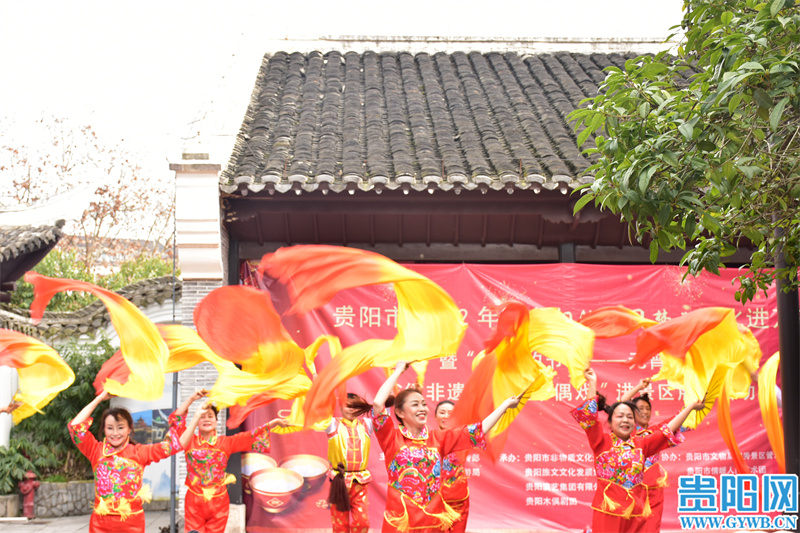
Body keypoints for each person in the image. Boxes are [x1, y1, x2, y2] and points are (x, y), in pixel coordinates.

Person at [372, 361, 521, 533]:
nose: (422, 409)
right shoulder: (391, 437)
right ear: (399, 413)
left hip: (433, 523)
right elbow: (377, 403)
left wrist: (505, 406)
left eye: (424, 404)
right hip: (400, 523)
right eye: (415, 405)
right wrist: (398, 370)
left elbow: (478, 430)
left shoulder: (439, 438)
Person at [573, 369, 705, 533]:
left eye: (629, 416)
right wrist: (592, 383)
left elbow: (669, 429)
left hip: (637, 513)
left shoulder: (642, 444)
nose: (625, 420)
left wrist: (691, 407)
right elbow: (589, 417)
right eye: (620, 416)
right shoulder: (601, 442)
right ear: (611, 421)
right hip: (608, 511)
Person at [170, 389, 286, 533]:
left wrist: (273, 423)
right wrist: (192, 398)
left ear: (216, 421)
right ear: (197, 421)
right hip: (194, 499)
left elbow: (250, 436)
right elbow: (175, 421)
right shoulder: (189, 441)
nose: (206, 419)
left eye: (210, 416)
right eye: (202, 416)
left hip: (218, 500)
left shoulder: (225, 442)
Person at [69, 390, 183, 533]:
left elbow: (171, 445)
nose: (115, 433)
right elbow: (75, 427)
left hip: (132, 524)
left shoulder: (140, 452)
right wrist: (99, 398)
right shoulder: (96, 451)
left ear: (129, 429)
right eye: (110, 428)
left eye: (120, 428)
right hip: (100, 524)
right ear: (104, 430)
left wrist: (192, 408)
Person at [621, 377, 690, 532]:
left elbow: (680, 420)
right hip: (632, 490)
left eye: (647, 409)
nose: (645, 412)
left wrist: (692, 405)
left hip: (654, 491)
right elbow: (623, 402)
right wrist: (639, 386)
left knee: (652, 528)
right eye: (640, 409)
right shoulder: (628, 430)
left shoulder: (657, 430)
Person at [326, 392, 374, 533]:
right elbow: (319, 412)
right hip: (339, 481)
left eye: (355, 406)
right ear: (340, 407)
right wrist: (320, 388)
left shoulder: (367, 425)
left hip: (359, 482)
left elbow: (381, 411)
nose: (351, 409)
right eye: (348, 406)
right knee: (340, 524)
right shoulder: (333, 425)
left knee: (362, 522)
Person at [434, 399, 470, 533]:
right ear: (435, 416)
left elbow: (483, 427)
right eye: (442, 412)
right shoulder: (429, 439)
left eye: (450, 413)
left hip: (459, 498)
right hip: (434, 500)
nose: (446, 416)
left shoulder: (464, 436)